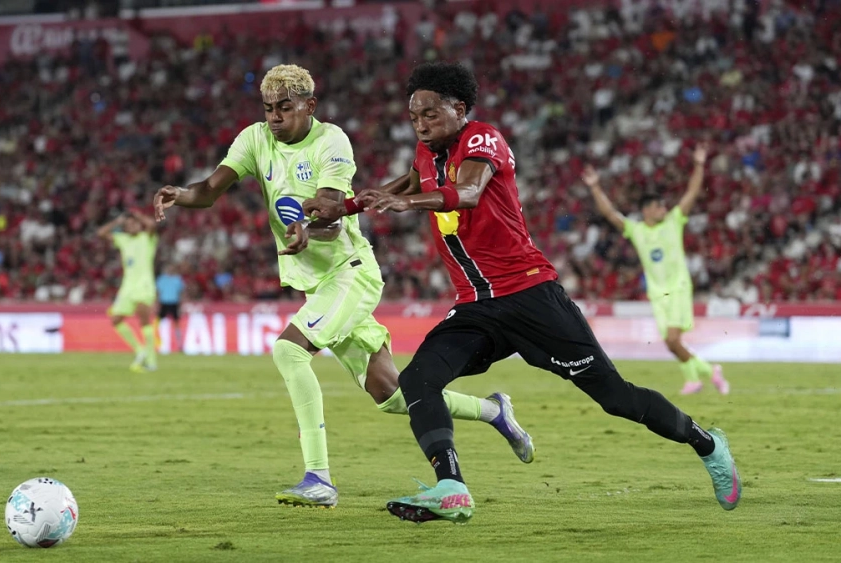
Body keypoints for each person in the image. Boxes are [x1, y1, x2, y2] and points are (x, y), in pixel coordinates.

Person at [303, 61, 740, 524]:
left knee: (616, 397)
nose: (421, 124)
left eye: (430, 114)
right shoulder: (426, 153)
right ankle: (451, 486)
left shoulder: (482, 138)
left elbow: (467, 192)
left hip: (531, 296)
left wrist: (404, 203)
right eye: (414, 117)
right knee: (417, 380)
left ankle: (708, 444)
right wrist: (342, 208)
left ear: (459, 108)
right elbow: (406, 184)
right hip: (476, 308)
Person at [153, 64, 534, 509]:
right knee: (391, 394)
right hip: (318, 284)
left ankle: (319, 479)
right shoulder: (255, 138)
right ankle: (494, 411)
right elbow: (210, 189)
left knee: (289, 350)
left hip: (350, 272)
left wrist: (305, 231)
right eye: (269, 109)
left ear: (309, 106)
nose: (274, 117)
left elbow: (333, 220)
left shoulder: (331, 141)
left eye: (285, 108)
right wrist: (181, 193)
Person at [582, 150, 730, 395]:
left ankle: (709, 371)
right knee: (672, 344)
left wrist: (699, 164)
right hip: (657, 292)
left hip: (678, 287)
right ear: (646, 211)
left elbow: (692, 193)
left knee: (672, 340)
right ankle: (696, 377)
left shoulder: (673, 221)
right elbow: (610, 214)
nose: (664, 208)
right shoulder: (637, 230)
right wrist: (596, 186)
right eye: (658, 205)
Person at [96, 210, 159, 373]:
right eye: (128, 225)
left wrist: (137, 215)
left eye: (134, 223)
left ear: (139, 225)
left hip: (144, 286)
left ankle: (151, 361)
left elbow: (151, 224)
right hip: (127, 287)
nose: (131, 226)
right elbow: (101, 233)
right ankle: (140, 350)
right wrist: (117, 222)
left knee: (144, 320)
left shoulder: (147, 238)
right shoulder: (122, 239)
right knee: (116, 319)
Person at [156, 263, 186, 350]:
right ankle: (157, 342)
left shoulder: (177, 279)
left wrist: (181, 304)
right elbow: (158, 292)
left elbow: (181, 292)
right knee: (159, 324)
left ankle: (180, 344)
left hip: (174, 303)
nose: (170, 270)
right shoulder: (161, 279)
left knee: (176, 323)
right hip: (164, 303)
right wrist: (157, 304)